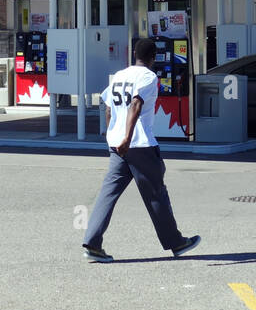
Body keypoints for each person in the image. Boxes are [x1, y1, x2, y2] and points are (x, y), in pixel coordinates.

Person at [81, 36, 200, 262]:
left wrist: (112, 134)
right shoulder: (149, 76)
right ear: (154, 58)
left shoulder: (120, 75)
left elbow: (107, 106)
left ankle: (92, 243)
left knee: (108, 194)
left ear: (134, 54)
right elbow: (136, 104)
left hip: (117, 146)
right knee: (156, 194)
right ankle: (176, 242)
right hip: (139, 145)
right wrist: (127, 137)